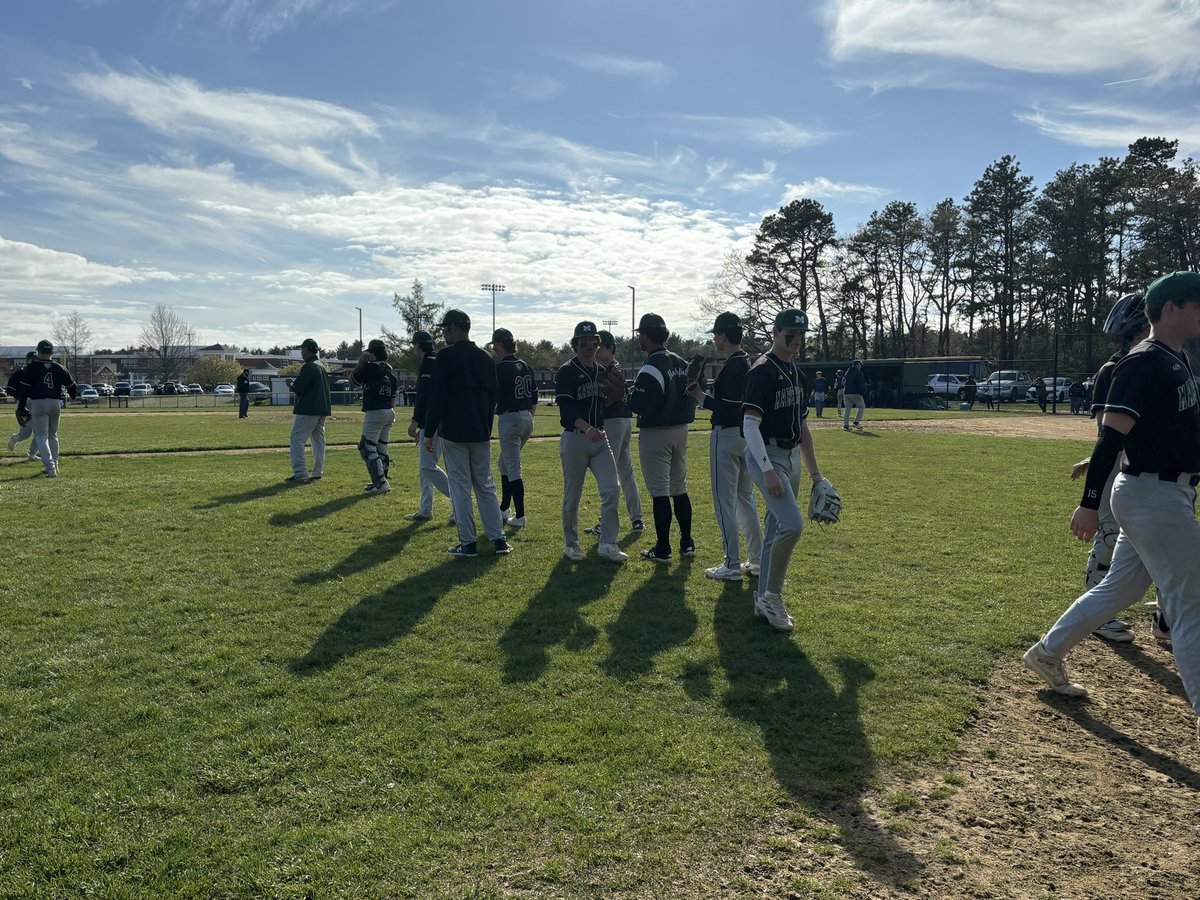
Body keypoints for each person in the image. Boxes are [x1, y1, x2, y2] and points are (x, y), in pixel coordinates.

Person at [1023, 272, 1200, 743]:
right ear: (1168, 309)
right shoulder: (1145, 363)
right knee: (1190, 602)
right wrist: (1087, 504)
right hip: (1152, 495)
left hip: (1163, 493)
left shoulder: (1178, 360)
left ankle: (1046, 654)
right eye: (1196, 304)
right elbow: (1110, 439)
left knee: (1117, 593)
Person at [741, 309, 832, 631]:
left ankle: (762, 598)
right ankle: (772, 596)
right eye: (791, 334)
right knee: (792, 525)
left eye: (802, 335)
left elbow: (803, 427)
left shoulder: (797, 373)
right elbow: (749, 425)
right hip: (766, 453)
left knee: (776, 529)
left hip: (790, 454)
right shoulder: (762, 370)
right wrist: (767, 470)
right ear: (776, 332)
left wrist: (816, 475)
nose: (797, 341)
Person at [424, 309, 511, 557]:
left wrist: (429, 431)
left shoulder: (445, 357)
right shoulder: (485, 357)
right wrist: (485, 425)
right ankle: (498, 540)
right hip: (480, 431)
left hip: (454, 431)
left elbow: (438, 397)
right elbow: (494, 396)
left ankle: (468, 543)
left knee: (461, 487)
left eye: (445, 328)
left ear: (454, 328)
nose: (443, 333)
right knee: (486, 486)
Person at [688, 312, 763, 581]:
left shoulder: (733, 365)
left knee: (725, 502)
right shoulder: (748, 363)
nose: (714, 340)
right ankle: (756, 559)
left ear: (722, 335)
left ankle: (731, 564)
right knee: (746, 499)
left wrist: (700, 396)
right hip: (747, 436)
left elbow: (730, 409)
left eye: (715, 335)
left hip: (727, 434)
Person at [555, 322, 627, 563]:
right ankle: (572, 544)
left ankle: (607, 543)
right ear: (574, 345)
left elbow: (602, 402)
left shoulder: (601, 371)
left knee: (611, 489)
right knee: (573, 496)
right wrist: (587, 429)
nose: (589, 347)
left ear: (598, 344)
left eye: (593, 343)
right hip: (575, 439)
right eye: (583, 343)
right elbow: (566, 412)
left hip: (599, 439)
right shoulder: (566, 371)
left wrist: (614, 398)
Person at [628, 312, 696, 563]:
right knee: (680, 488)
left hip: (657, 432)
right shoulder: (680, 361)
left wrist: (627, 396)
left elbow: (641, 405)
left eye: (641, 335)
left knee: (659, 492)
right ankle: (687, 542)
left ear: (646, 335)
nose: (640, 340)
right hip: (681, 429)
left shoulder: (651, 365)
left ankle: (663, 548)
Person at [490, 327, 537, 528]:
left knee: (513, 468)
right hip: (527, 417)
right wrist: (527, 418)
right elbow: (534, 397)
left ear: (500, 345)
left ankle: (520, 517)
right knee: (504, 464)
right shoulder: (525, 365)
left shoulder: (500, 368)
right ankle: (504, 508)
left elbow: (492, 396)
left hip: (510, 419)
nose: (494, 348)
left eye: (495, 344)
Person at [404, 331, 453, 522]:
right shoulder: (438, 359)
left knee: (427, 467)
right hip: (439, 420)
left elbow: (425, 396)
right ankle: (426, 509)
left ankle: (458, 500)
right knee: (425, 467)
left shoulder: (429, 362)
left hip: (435, 421)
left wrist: (416, 422)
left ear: (417, 345)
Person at [15, 339, 77, 477]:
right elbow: (73, 387)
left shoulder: (32, 367)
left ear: (38, 352)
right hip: (55, 403)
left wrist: (20, 407)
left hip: (38, 403)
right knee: (53, 435)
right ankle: (55, 464)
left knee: (41, 436)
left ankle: (50, 467)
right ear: (52, 352)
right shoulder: (60, 367)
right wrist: (73, 396)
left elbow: (24, 390)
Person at [352, 339, 398, 495]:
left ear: (373, 353)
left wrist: (360, 363)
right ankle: (381, 479)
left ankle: (381, 483)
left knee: (366, 448)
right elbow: (392, 399)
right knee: (381, 448)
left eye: (369, 352)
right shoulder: (390, 374)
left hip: (375, 411)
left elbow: (353, 381)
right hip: (389, 411)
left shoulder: (370, 367)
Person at [286, 338, 331, 482]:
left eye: (303, 349)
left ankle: (300, 472)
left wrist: (291, 384)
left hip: (308, 408)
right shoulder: (321, 366)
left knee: (297, 439)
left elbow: (299, 388)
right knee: (318, 441)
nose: (301, 352)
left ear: (309, 349)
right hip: (321, 407)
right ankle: (317, 471)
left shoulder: (309, 366)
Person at [7, 351, 42, 462]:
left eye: (37, 359)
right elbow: (10, 388)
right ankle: (14, 439)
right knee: (26, 433)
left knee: (40, 431)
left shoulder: (40, 372)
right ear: (28, 360)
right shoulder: (21, 373)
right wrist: (21, 397)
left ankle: (32, 454)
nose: (35, 361)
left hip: (37, 403)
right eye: (33, 359)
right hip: (24, 404)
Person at [842, 359, 866, 431]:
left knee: (847, 409)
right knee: (862, 406)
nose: (860, 366)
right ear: (857, 365)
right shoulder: (858, 373)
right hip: (855, 393)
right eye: (859, 365)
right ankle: (856, 422)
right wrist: (862, 392)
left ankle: (846, 425)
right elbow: (861, 384)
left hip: (846, 393)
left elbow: (843, 382)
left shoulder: (847, 372)